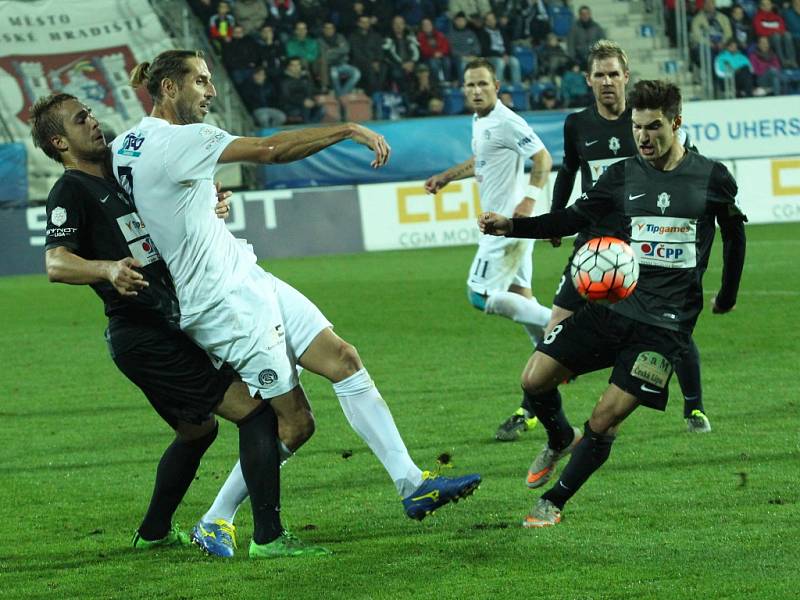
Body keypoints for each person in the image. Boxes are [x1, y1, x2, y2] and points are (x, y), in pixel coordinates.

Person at [111, 49, 481, 557]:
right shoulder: (182, 139)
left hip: (246, 274)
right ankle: (219, 519)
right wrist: (347, 131)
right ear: (169, 88)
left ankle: (411, 483)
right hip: (224, 301)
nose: (212, 91)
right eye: (200, 81)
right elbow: (269, 149)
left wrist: (203, 202)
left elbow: (149, 207)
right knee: (294, 423)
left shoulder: (128, 144)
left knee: (344, 359)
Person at [30, 92, 312, 557]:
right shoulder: (71, 190)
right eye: (81, 120)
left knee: (198, 431)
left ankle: (154, 532)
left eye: (92, 113)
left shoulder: (117, 174)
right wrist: (106, 270)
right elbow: (56, 263)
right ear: (60, 141)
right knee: (256, 412)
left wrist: (210, 205)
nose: (94, 122)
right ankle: (269, 538)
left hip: (164, 323)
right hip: (142, 335)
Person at [478, 79, 746, 528]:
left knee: (604, 419)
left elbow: (735, 233)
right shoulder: (622, 175)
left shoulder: (711, 177)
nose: (643, 137)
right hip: (613, 309)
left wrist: (729, 294)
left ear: (676, 123)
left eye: (654, 127)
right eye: (638, 127)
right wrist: (512, 226)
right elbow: (572, 217)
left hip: (665, 328)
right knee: (534, 379)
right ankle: (561, 436)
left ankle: (554, 501)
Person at [495, 41, 714, 442]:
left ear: (626, 77)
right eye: (600, 74)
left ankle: (694, 404)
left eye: (614, 74)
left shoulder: (645, 121)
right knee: (557, 323)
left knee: (665, 324)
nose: (608, 82)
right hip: (593, 242)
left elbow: (680, 165)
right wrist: (557, 219)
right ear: (589, 80)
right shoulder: (578, 123)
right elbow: (569, 170)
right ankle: (531, 408)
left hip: (637, 242)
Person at [424, 57, 553, 426]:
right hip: (510, 227)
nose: (476, 90)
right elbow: (481, 159)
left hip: (506, 225)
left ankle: (568, 327)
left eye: (483, 84)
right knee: (523, 301)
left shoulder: (508, 121)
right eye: (470, 85)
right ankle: (537, 397)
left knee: (478, 295)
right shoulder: (481, 122)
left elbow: (542, 159)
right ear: (463, 90)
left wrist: (528, 201)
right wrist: (448, 176)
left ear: (497, 86)